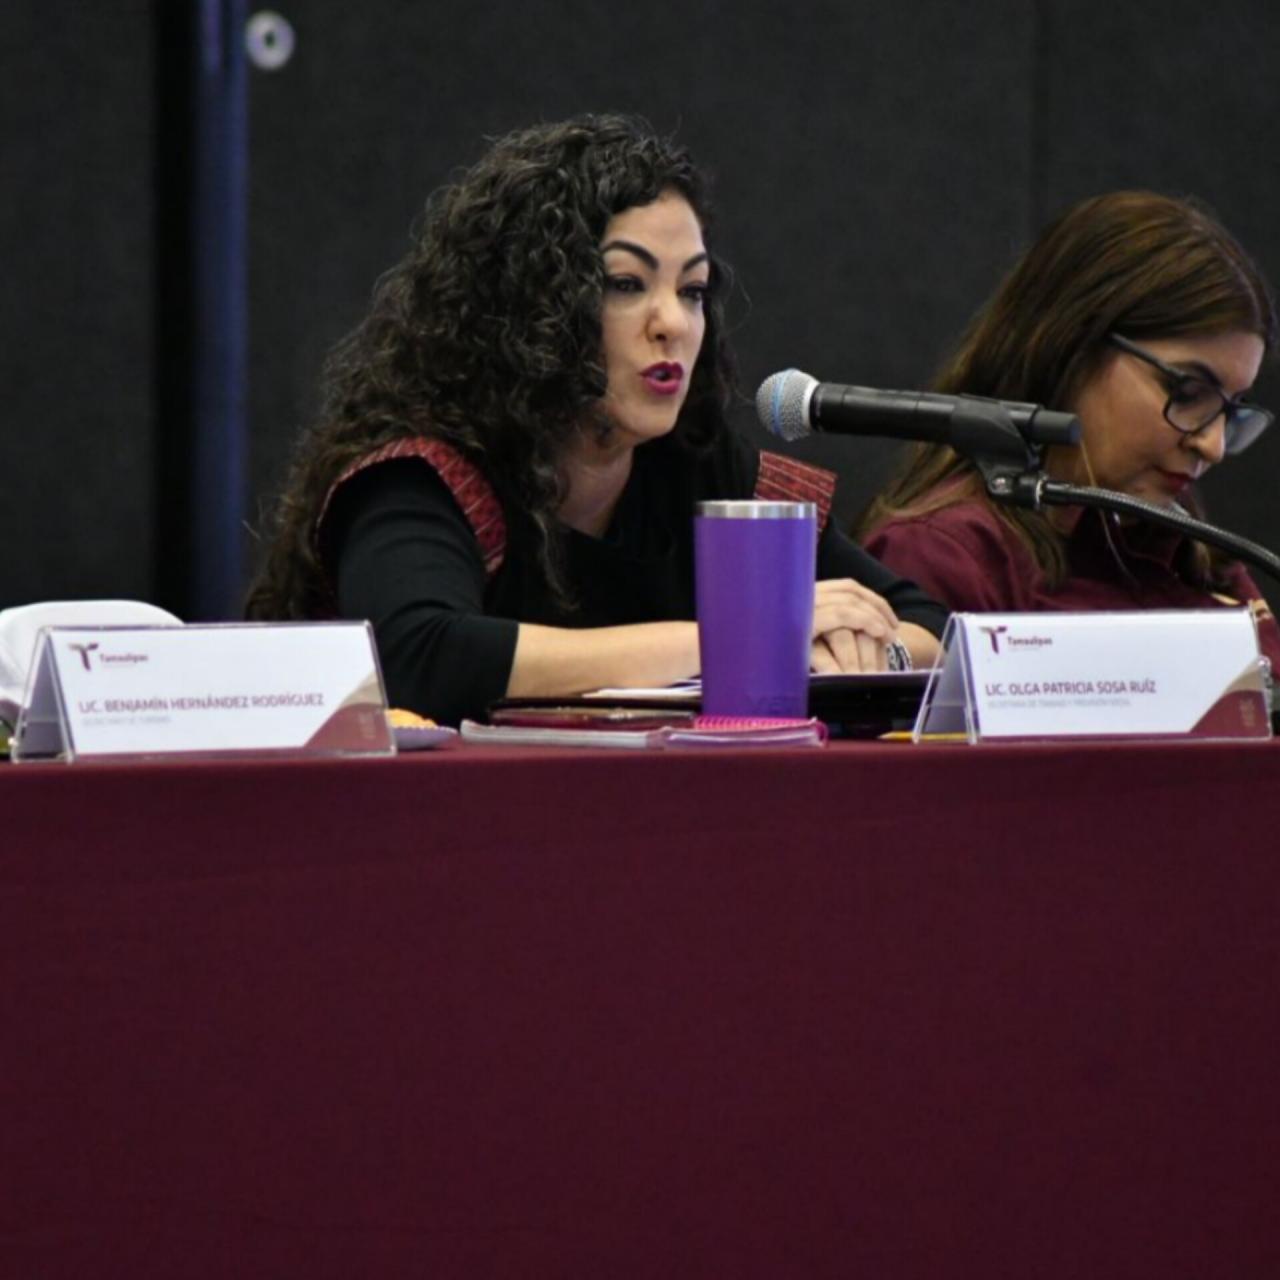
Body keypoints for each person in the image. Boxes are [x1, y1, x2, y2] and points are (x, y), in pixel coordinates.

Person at [246, 115, 945, 723]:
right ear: (530, 306)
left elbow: (931, 630)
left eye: (693, 290)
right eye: (625, 285)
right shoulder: (421, 476)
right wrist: (745, 640)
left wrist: (862, 649)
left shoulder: (702, 468)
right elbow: (417, 656)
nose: (673, 323)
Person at [859, 190, 1280, 664]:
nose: (1214, 444)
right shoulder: (947, 554)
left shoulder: (1195, 551)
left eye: (1231, 409)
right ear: (1072, 345)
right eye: (1186, 392)